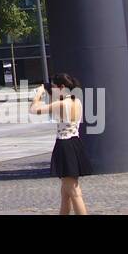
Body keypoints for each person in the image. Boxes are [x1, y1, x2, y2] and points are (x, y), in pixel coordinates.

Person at [30, 74, 90, 215]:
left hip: (65, 145)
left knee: (74, 192)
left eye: (55, 86)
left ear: (62, 87)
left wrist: (38, 94)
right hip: (75, 143)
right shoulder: (77, 101)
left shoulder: (62, 104)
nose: (53, 89)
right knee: (65, 192)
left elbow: (33, 110)